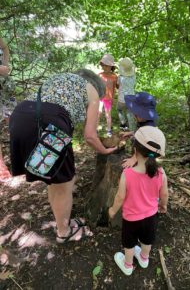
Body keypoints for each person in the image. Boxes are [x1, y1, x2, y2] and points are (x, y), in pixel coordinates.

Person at [9, 69, 117, 243]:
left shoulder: (60, 78)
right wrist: (104, 151)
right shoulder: (93, 91)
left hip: (21, 115)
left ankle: (60, 221)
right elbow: (90, 136)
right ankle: (64, 232)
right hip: (50, 122)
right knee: (65, 184)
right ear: (98, 86)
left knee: (54, 178)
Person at [109, 126, 168, 276]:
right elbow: (164, 194)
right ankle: (143, 258)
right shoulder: (161, 173)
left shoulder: (127, 174)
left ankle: (128, 265)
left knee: (129, 243)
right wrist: (163, 205)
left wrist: (112, 210)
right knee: (147, 240)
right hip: (151, 216)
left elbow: (120, 197)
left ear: (135, 151)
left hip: (131, 219)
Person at [121, 92, 159, 168]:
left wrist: (135, 158)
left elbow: (146, 145)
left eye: (137, 113)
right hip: (139, 152)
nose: (135, 115)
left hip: (144, 157)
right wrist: (131, 133)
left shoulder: (149, 127)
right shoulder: (144, 122)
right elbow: (140, 131)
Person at [0, 37, 14, 181]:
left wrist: (5, 64)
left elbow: (4, 47)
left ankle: (21, 157)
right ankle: (1, 169)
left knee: (14, 121)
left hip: (4, 88)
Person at [98, 54, 118, 137]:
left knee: (108, 115)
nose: (104, 67)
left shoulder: (114, 76)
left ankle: (109, 130)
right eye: (103, 65)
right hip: (100, 98)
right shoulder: (99, 75)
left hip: (108, 99)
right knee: (98, 113)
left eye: (107, 65)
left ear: (111, 66)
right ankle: (95, 129)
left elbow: (117, 87)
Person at [117, 57, 136, 131]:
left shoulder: (120, 77)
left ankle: (123, 124)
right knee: (130, 113)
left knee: (119, 110)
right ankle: (132, 130)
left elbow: (118, 86)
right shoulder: (134, 76)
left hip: (122, 99)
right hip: (131, 98)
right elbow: (133, 85)